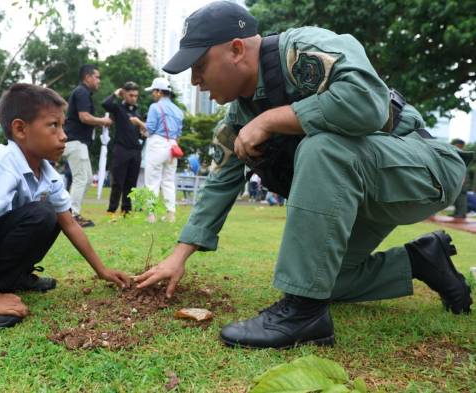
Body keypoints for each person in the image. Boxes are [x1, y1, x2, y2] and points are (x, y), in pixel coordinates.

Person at [135, 1, 472, 350]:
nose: (195, 80)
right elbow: (220, 182)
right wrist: (179, 256)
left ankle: (303, 313)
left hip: (427, 169)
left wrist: (270, 120)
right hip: (369, 188)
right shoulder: (237, 118)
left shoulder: (301, 50)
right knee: (324, 278)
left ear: (236, 49)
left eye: (200, 65)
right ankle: (423, 259)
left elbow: (368, 102)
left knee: (321, 147)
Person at [0, 83, 130, 328]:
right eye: (53, 125)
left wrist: (103, 271)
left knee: (55, 215)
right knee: (42, 213)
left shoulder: (48, 173)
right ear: (20, 129)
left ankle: (15, 277)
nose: (63, 135)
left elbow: (69, 223)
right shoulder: (0, 163)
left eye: (62, 125)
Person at [64, 64, 112, 228]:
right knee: (81, 178)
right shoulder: (82, 92)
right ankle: (71, 215)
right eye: (97, 77)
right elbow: (84, 117)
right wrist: (103, 121)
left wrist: (98, 122)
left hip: (79, 142)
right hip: (75, 141)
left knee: (88, 178)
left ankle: (72, 213)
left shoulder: (84, 93)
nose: (99, 80)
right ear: (87, 77)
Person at [136, 77, 184, 223]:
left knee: (152, 181)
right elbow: (179, 133)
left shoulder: (155, 107)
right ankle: (171, 214)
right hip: (172, 146)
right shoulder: (178, 110)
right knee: (168, 181)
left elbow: (149, 129)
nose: (152, 94)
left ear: (158, 92)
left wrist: (137, 122)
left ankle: (151, 215)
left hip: (157, 144)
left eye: (153, 91)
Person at [102, 82, 144, 216]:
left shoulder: (138, 111)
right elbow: (105, 104)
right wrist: (116, 93)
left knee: (131, 183)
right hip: (121, 149)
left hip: (136, 151)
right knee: (118, 182)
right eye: (131, 95)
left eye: (136, 96)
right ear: (124, 94)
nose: (133, 98)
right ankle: (111, 210)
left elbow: (142, 131)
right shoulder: (118, 108)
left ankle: (126, 210)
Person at [450, 139, 468, 219]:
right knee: (457, 196)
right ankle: (458, 212)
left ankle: (461, 213)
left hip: (462, 177)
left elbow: (464, 168)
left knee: (461, 197)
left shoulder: (463, 154)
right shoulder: (457, 153)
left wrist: (463, 179)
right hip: (458, 177)